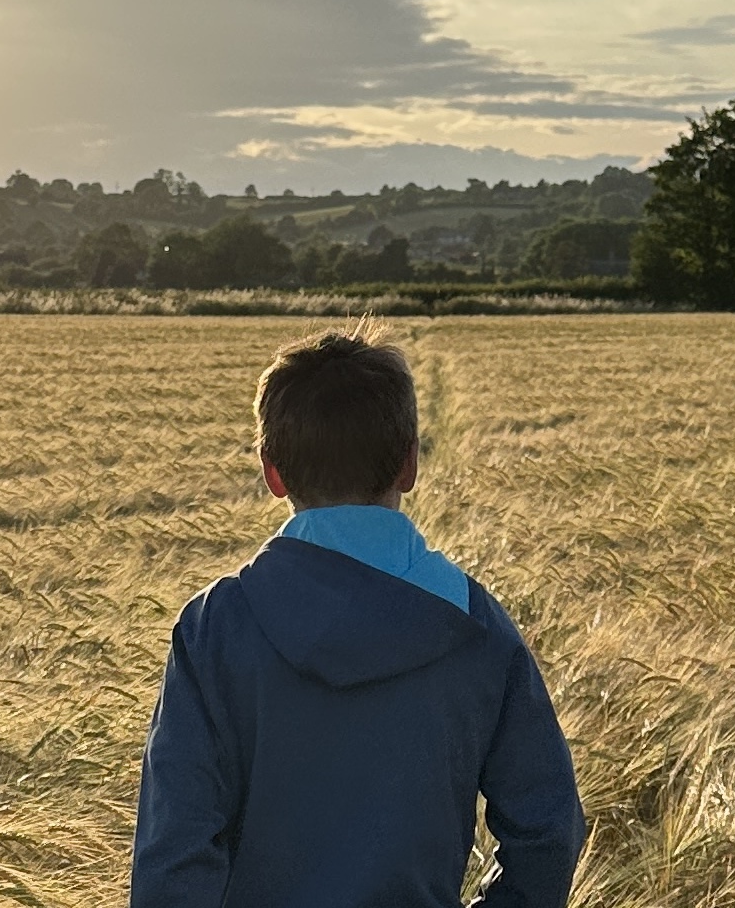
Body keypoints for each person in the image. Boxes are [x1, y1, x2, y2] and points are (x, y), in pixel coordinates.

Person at [130, 328, 587, 908]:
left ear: (272, 473)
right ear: (409, 464)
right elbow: (549, 833)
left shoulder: (215, 627)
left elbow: (172, 856)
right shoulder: (474, 624)